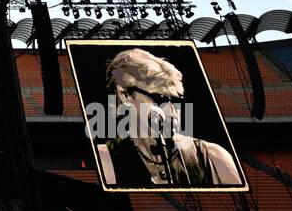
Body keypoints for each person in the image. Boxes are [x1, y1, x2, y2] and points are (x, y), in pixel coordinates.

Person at [94, 48, 243, 188]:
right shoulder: (106, 159)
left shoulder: (215, 156)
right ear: (124, 95)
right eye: (160, 99)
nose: (172, 111)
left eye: (176, 101)